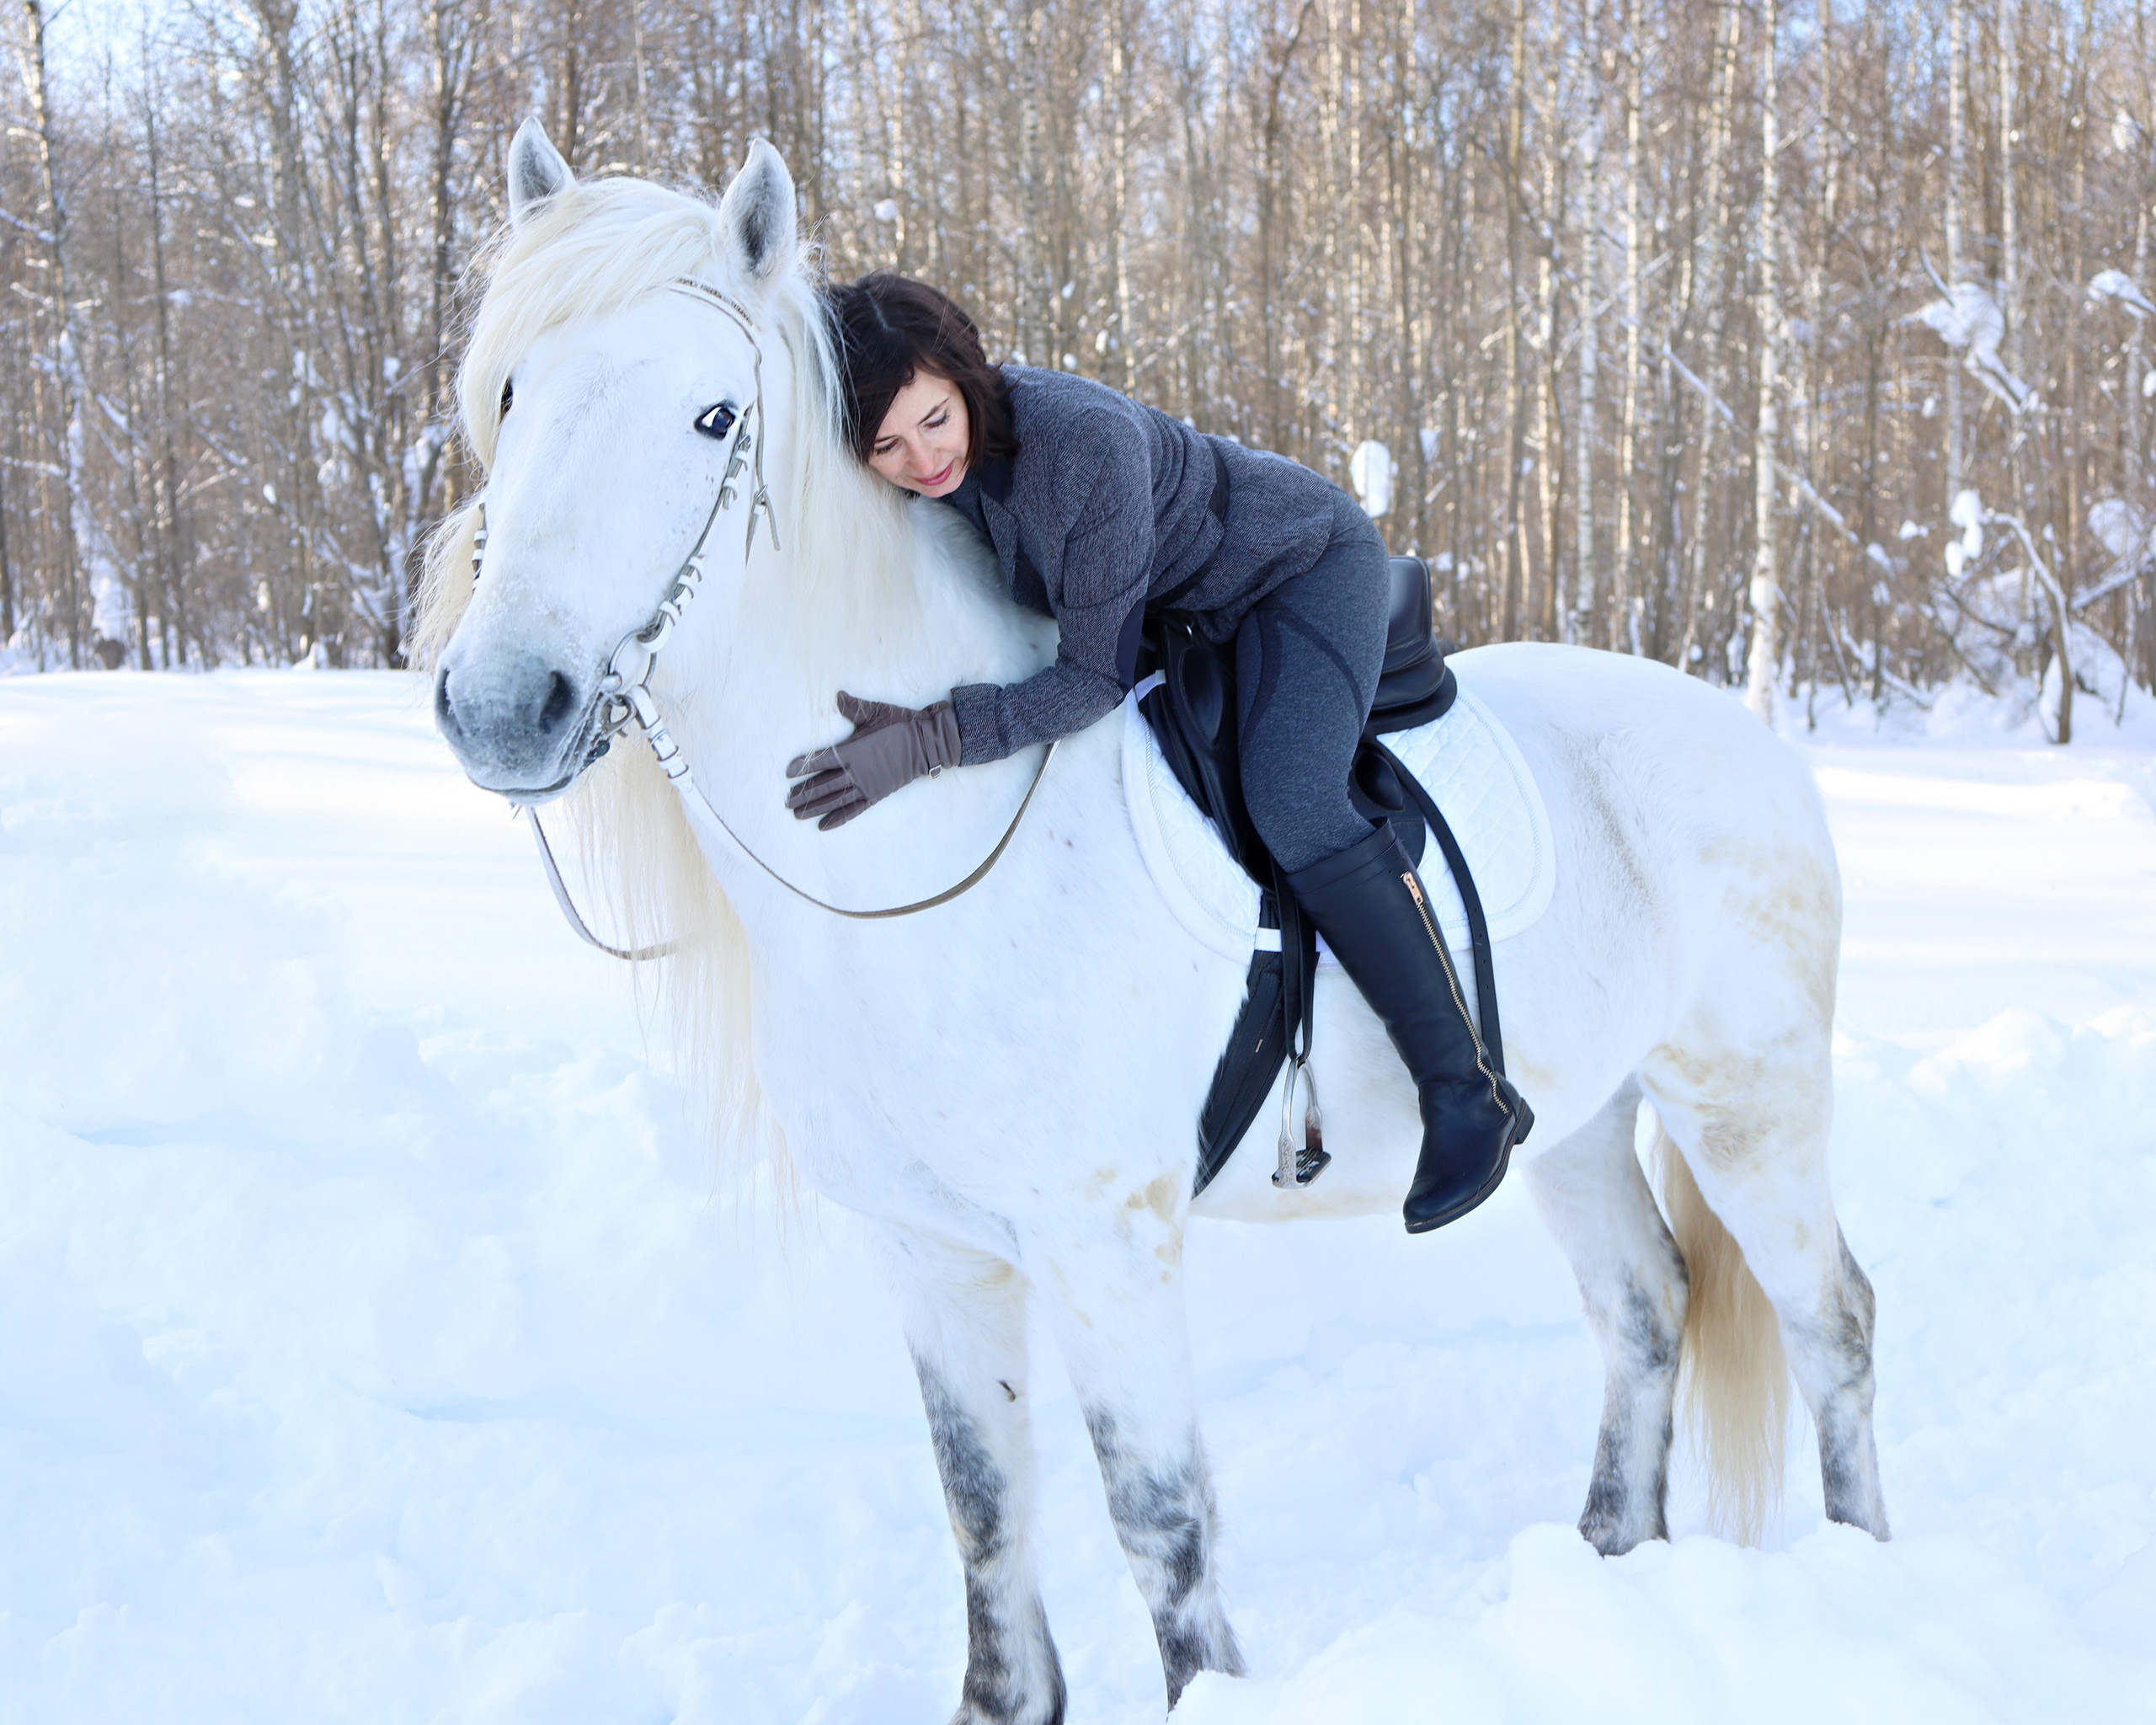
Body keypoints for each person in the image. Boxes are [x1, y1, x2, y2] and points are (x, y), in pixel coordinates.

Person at [785, 271, 1530, 1233]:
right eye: (883, 445)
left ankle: (1466, 1091)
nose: (920, 459)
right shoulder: (922, 471)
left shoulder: (1078, 446)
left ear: (966, 374)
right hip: (1167, 609)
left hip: (1293, 574)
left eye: (933, 418)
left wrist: (933, 737)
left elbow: (1089, 680)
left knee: (1291, 798)